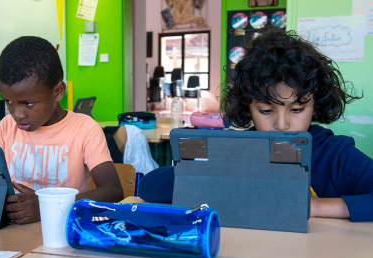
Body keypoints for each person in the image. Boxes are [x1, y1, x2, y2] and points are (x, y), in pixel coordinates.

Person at [139, 27, 373, 222]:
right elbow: (150, 187)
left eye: (297, 109)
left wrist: (311, 207)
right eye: (266, 110)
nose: (282, 124)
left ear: (316, 106)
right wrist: (219, 170)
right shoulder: (238, 149)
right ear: (247, 108)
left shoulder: (334, 154)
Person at [0, 36, 124, 224]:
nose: (17, 114)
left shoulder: (84, 129)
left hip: (63, 231)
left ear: (58, 91)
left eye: (28, 103)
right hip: (14, 233)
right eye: (8, 102)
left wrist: (48, 205)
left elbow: (113, 191)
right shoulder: (6, 127)